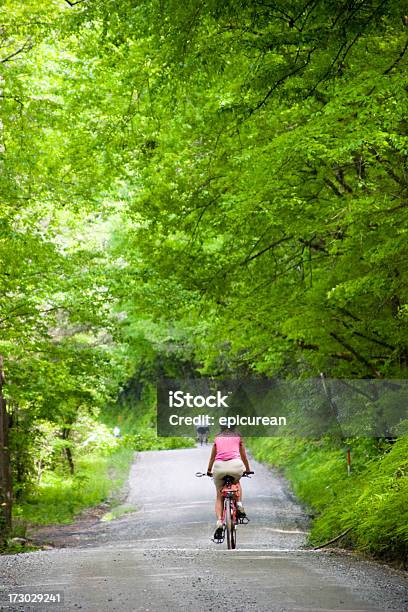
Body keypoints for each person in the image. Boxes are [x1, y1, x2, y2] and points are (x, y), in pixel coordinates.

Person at [206, 425, 252, 539]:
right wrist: (248, 469)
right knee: (237, 482)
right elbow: (244, 456)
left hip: (219, 466)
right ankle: (239, 504)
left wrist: (208, 470)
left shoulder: (217, 438)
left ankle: (219, 522)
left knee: (219, 495)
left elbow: (212, 457)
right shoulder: (238, 437)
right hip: (235, 465)